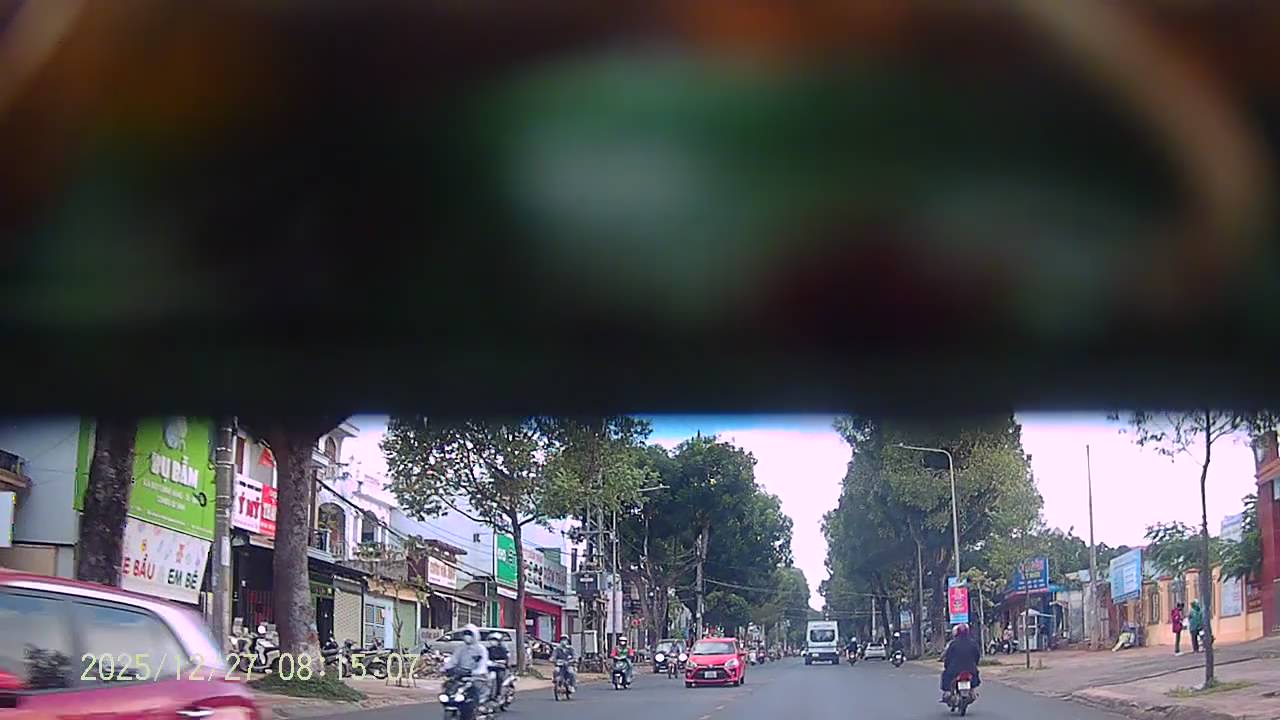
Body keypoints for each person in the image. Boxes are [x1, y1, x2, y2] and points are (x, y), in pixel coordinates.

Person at [442, 625, 490, 708]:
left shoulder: (481, 649)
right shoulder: (460, 648)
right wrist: (445, 668)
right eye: (465, 634)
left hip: (476, 676)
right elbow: (453, 661)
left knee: (477, 689)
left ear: (475, 635)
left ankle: (478, 706)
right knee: (448, 686)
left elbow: (482, 665)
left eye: (470, 634)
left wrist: (475, 672)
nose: (467, 636)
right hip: (461, 675)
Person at [940, 623, 981, 702]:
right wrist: (975, 664)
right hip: (970, 669)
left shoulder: (953, 644)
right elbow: (977, 656)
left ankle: (948, 692)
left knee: (945, 675)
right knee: (975, 675)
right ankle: (972, 690)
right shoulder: (973, 643)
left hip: (954, 670)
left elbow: (948, 657)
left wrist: (946, 665)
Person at [485, 632, 509, 701]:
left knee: (499, 678)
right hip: (490, 668)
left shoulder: (502, 649)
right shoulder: (487, 649)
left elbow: (505, 660)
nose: (492, 642)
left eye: (494, 640)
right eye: (491, 640)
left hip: (500, 668)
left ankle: (498, 694)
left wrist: (498, 662)